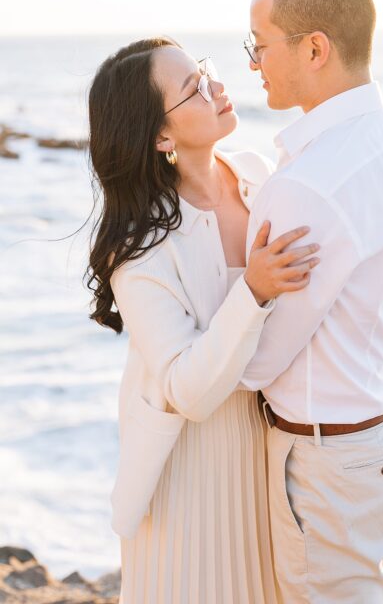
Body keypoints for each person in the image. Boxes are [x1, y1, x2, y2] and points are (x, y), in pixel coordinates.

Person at [86, 37, 319, 603]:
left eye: (205, 71)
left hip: (270, 452)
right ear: (161, 137)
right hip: (186, 476)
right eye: (193, 88)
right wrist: (255, 290)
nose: (216, 86)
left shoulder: (257, 175)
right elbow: (187, 390)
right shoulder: (140, 250)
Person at [239, 0, 383, 603]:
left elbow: (258, 361)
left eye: (261, 44)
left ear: (315, 48)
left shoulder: (307, 185)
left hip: (336, 467)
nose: (252, 62)